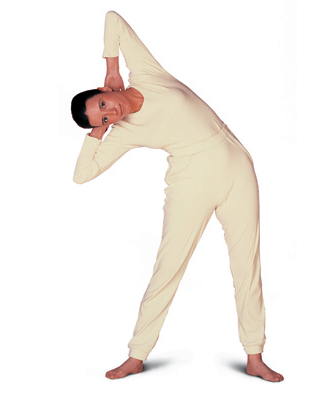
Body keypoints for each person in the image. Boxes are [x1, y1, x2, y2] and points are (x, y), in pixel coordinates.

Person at [71, 11, 284, 382]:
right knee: (168, 268)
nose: (110, 113)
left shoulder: (147, 74)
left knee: (247, 266)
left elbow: (113, 19)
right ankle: (137, 355)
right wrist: (97, 133)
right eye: (102, 119)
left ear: (104, 91)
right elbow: (82, 174)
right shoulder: (123, 132)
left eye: (102, 105)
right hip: (190, 184)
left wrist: (111, 68)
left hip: (238, 169)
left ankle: (255, 355)